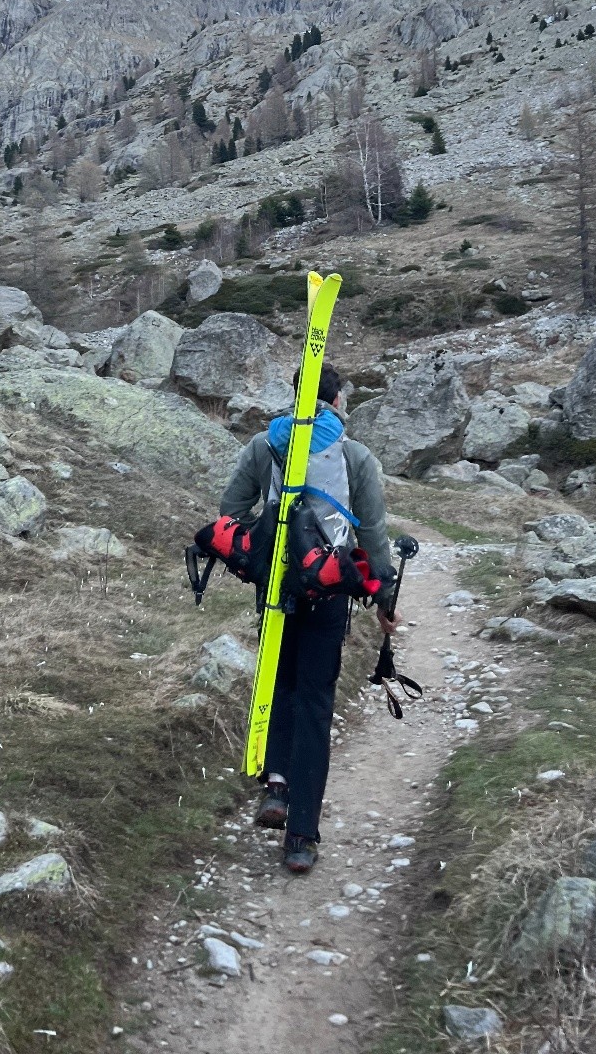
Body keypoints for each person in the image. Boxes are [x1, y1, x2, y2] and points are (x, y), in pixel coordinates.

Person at [218, 361, 400, 873]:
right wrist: (384, 600)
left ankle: (276, 786)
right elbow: (373, 534)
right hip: (328, 591)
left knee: (278, 682)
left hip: (276, 587)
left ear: (295, 394)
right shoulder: (354, 455)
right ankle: (301, 835)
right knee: (315, 702)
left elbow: (231, 509)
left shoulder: (265, 445)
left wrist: (265, 546)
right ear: (337, 400)